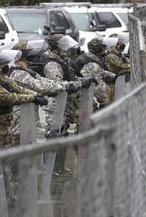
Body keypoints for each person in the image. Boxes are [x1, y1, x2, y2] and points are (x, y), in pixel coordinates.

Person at [0, 50, 47, 203]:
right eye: (2, 64)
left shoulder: (2, 78)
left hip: (4, 124)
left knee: (3, 159)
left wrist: (35, 96)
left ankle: (4, 192)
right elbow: (8, 98)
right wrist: (31, 97)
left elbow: (17, 88)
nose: (5, 66)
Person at [43, 34, 95, 176]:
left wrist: (83, 80)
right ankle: (51, 169)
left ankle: (59, 167)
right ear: (56, 48)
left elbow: (69, 78)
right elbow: (58, 85)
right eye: (63, 47)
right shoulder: (53, 64)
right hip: (56, 105)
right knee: (54, 135)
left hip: (65, 104)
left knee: (63, 134)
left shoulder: (61, 61)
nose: (67, 50)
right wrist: (79, 84)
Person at [73, 37, 118, 108]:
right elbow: (98, 87)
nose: (106, 50)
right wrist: (104, 103)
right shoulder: (91, 64)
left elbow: (101, 71)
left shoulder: (88, 57)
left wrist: (115, 76)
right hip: (84, 99)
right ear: (99, 50)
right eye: (104, 48)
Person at [104, 34, 130, 103]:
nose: (120, 47)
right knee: (112, 103)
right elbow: (125, 66)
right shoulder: (111, 56)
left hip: (118, 82)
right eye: (117, 44)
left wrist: (122, 56)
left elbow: (129, 62)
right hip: (111, 84)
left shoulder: (119, 55)